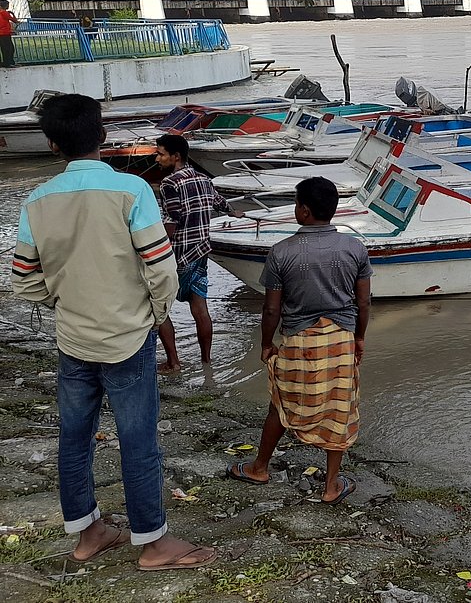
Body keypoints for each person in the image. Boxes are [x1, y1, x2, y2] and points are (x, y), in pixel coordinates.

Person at [9, 94, 216, 570]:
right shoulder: (132, 191)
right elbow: (160, 268)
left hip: (73, 337)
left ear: (52, 144)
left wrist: (62, 300)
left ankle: (87, 534)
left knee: (75, 438)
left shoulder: (37, 202)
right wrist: (153, 311)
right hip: (127, 336)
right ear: (103, 136)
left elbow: (24, 277)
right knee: (138, 440)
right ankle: (153, 544)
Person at [227, 176, 372, 504]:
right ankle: (331, 486)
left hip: (299, 341)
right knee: (340, 410)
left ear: (304, 211)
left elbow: (271, 309)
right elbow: (363, 302)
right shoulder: (355, 249)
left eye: (296, 204)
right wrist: (359, 338)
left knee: (280, 402)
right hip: (341, 341)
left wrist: (266, 344)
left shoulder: (281, 252)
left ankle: (259, 467)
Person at [154, 134, 237, 371]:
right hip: (200, 252)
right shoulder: (203, 178)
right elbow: (221, 203)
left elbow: (172, 220)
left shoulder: (170, 184)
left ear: (175, 156)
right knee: (200, 307)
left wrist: (148, 246)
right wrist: (235, 213)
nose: (157, 158)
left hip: (177, 255)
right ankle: (206, 361)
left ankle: (173, 362)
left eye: (161, 154)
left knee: (160, 309)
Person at [0, 0, 19, 67]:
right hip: (5, 34)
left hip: (2, 34)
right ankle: (8, 63)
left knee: (4, 48)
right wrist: (12, 14)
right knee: (9, 49)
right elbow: (15, 21)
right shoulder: (4, 13)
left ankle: (6, 63)